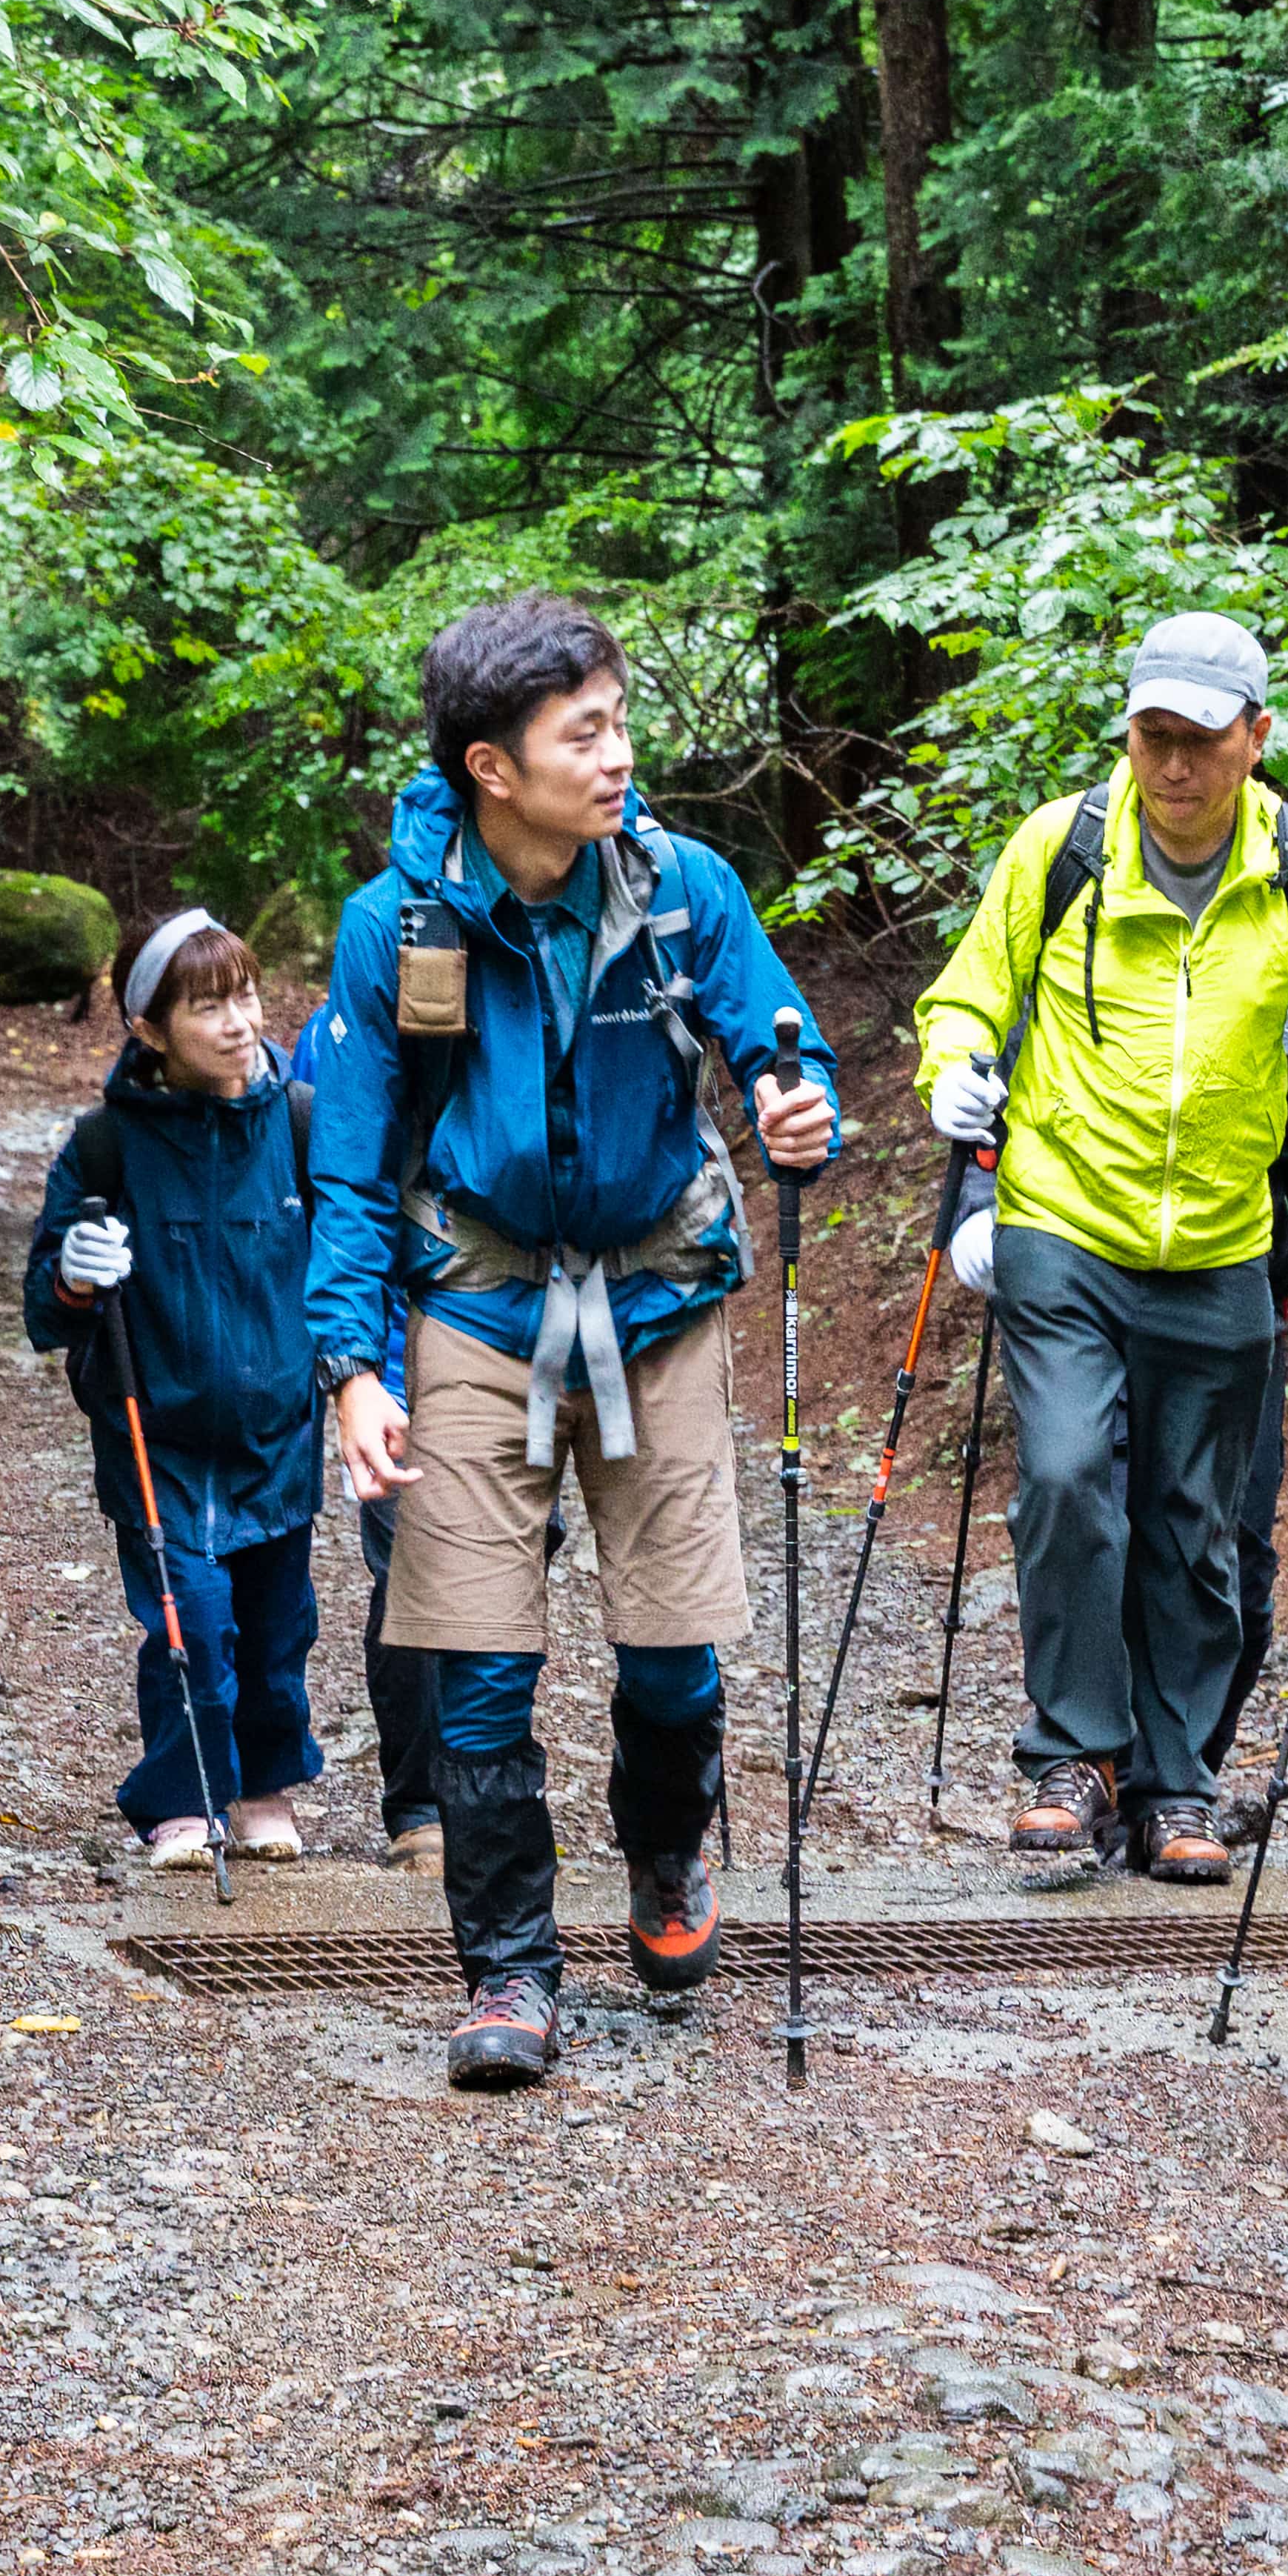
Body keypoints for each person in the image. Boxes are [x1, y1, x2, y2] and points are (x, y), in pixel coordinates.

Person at [304, 593, 841, 2089]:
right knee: (473, 1666)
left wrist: (803, 1117)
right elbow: (345, 1171)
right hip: (473, 1307)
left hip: (661, 1303)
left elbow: (785, 1058)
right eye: (582, 733)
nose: (618, 757)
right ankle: (508, 1970)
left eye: (616, 722)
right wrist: (352, 1368)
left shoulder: (686, 890)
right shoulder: (391, 926)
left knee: (669, 1652)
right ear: (492, 767)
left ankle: (666, 1862)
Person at [911, 611, 1288, 1888]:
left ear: (1257, 738)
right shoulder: (1062, 848)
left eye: (1199, 740)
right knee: (1073, 1473)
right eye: (1151, 737)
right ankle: (1070, 1757)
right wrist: (956, 1068)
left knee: (1198, 1525)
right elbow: (971, 988)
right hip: (1063, 1219)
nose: (1173, 767)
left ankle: (1175, 1781)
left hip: (1220, 1241)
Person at [26, 909, 327, 1871]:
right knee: (191, 1625)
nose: (241, 1023)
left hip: (278, 1432)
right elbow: (47, 1307)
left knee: (278, 1631)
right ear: (149, 1029)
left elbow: (354, 1256)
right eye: (209, 1008)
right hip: (158, 1439)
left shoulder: (299, 1123)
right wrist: (76, 1270)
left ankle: (262, 1789)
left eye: (245, 996)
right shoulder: (107, 1148)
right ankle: (182, 1800)